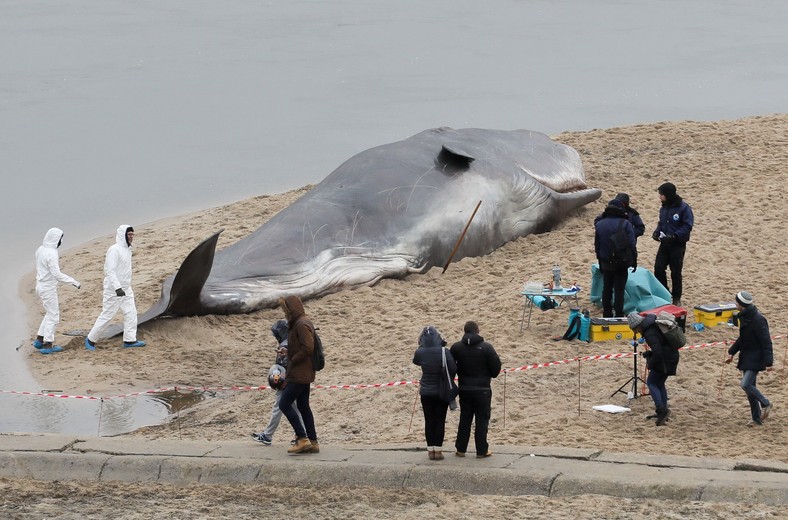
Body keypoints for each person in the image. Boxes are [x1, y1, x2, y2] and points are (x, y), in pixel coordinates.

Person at [85, 225, 146, 350]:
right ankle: (91, 339)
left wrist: (124, 286)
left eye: (133, 235)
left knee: (131, 312)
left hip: (126, 288)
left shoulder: (128, 249)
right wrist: (117, 288)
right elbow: (110, 271)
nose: (131, 237)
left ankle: (129, 340)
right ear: (123, 235)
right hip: (113, 289)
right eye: (129, 235)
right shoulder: (114, 250)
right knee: (107, 314)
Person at [449, 321, 501, 458]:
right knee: (482, 420)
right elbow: (496, 369)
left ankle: (461, 449)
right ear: (477, 331)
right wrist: (487, 374)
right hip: (482, 389)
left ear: (465, 331)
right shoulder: (487, 348)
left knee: (465, 418)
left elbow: (450, 368)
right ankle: (481, 450)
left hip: (465, 388)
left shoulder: (456, 348)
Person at [251, 319, 305, 445]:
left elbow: (284, 365)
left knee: (280, 408)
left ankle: (268, 436)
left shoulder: (284, 345)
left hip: (286, 382)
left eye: (276, 333)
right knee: (294, 408)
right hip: (293, 380)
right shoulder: (291, 342)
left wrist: (281, 381)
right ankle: (302, 435)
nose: (275, 336)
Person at [277, 295, 319, 454]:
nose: (285, 314)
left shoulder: (301, 324)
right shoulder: (302, 322)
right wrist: (289, 352)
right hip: (304, 372)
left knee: (284, 403)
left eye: (285, 310)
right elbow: (303, 346)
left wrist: (293, 358)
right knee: (303, 406)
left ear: (291, 309)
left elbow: (308, 347)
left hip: (299, 373)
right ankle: (313, 441)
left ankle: (302, 438)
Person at [725, 291, 774, 427]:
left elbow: (766, 342)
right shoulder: (745, 317)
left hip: (755, 359)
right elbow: (743, 338)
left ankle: (766, 403)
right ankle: (756, 419)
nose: (735, 304)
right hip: (747, 357)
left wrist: (769, 362)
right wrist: (732, 352)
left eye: (736, 302)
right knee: (750, 390)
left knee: (745, 384)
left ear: (742, 305)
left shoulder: (758, 320)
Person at [33, 228, 81, 354]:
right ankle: (48, 344)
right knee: (54, 316)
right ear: (56, 239)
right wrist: (73, 281)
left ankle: (39, 339)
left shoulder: (40, 249)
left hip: (39, 285)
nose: (61, 241)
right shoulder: (52, 253)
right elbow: (56, 274)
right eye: (61, 239)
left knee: (49, 312)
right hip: (48, 288)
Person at [627, 311, 679, 426]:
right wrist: (650, 354)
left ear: (637, 325)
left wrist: (651, 364)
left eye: (635, 330)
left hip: (666, 359)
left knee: (651, 382)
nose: (636, 332)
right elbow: (660, 346)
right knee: (659, 383)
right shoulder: (652, 325)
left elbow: (658, 352)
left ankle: (661, 410)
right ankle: (664, 411)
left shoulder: (650, 332)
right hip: (671, 356)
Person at [412, 325, 456, 461]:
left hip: (426, 391)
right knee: (440, 420)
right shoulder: (444, 351)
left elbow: (416, 361)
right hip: (441, 390)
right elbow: (453, 369)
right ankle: (438, 450)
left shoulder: (420, 352)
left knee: (429, 420)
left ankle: (430, 451)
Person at [651, 182, 694, 307]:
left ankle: (676, 297)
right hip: (664, 243)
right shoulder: (664, 208)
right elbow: (661, 223)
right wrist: (657, 232)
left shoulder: (683, 208)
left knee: (675, 271)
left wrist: (675, 235)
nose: (660, 197)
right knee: (658, 268)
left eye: (662, 194)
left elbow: (688, 225)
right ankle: (665, 292)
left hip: (677, 244)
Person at [594, 198, 637, 317]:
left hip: (605, 261)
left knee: (607, 288)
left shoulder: (599, 224)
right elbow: (631, 244)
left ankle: (607, 313)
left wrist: (600, 260)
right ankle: (619, 314)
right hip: (621, 262)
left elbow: (597, 245)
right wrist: (633, 260)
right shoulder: (625, 224)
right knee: (619, 290)